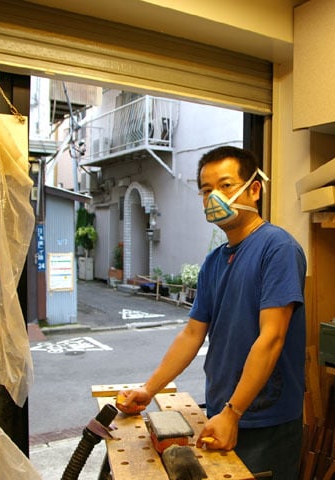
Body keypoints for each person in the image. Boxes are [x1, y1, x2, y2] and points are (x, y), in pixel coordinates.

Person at [116, 146, 307, 479]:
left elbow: (272, 337)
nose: (214, 197)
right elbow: (192, 334)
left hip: (265, 419)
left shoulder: (278, 248)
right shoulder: (215, 261)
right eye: (206, 190)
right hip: (222, 411)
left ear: (255, 189)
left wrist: (234, 413)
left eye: (226, 185)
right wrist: (149, 389)